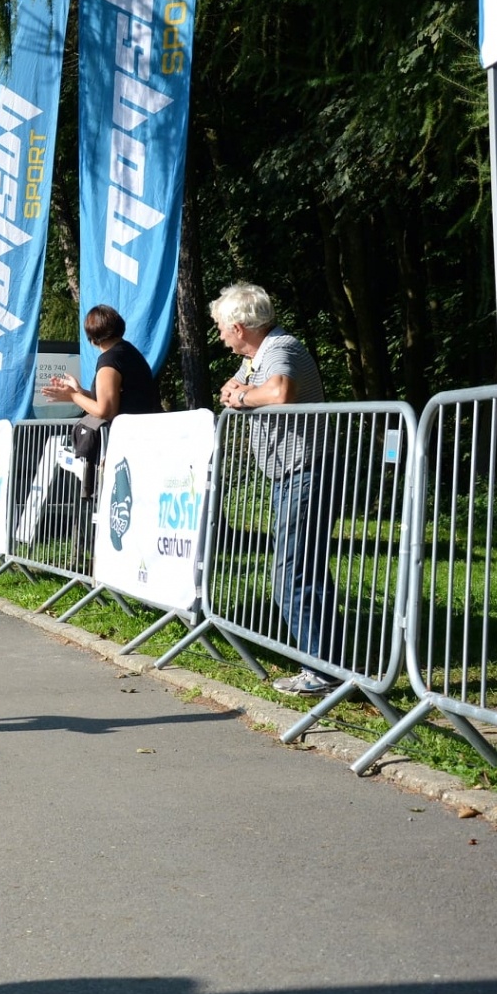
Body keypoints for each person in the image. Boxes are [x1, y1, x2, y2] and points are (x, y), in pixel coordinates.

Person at [211, 282, 336, 696]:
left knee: (291, 573)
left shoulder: (281, 349)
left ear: (240, 326)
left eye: (221, 327)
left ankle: (321, 670)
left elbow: (280, 392)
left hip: (305, 471)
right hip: (291, 473)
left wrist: (244, 397)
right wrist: (241, 391)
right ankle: (329, 661)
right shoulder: (256, 355)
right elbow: (231, 388)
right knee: (307, 568)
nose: (219, 334)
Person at [40, 305, 161, 420]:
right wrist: (80, 392)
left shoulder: (110, 360)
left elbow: (106, 412)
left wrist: (73, 396)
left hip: (126, 435)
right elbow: (117, 400)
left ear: (92, 338)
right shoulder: (128, 352)